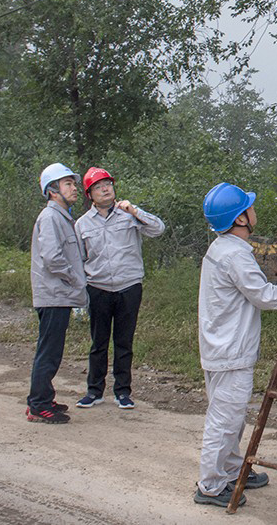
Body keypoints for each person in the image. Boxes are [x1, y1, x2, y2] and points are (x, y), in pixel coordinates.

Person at [193, 182, 277, 508]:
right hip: (230, 352)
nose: (255, 210)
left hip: (222, 347)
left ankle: (232, 469)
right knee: (224, 421)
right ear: (240, 219)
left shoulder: (222, 247)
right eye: (249, 207)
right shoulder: (235, 255)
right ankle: (210, 486)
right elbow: (266, 297)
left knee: (232, 418)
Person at [74, 167, 165, 411]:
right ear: (90, 195)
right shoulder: (82, 224)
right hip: (98, 288)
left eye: (108, 184)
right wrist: (79, 298)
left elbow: (158, 229)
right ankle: (94, 391)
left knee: (124, 342)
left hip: (128, 286)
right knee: (98, 343)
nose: (105, 189)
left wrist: (134, 210)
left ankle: (123, 392)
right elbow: (80, 260)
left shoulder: (129, 215)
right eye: (98, 186)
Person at [26, 163, 87, 424]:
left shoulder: (61, 217)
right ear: (52, 191)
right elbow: (53, 258)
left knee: (51, 350)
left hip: (58, 295)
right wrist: (75, 280)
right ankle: (39, 405)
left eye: (73, 184)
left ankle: (43, 397)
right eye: (68, 184)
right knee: (49, 352)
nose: (74, 188)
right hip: (54, 295)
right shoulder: (50, 218)